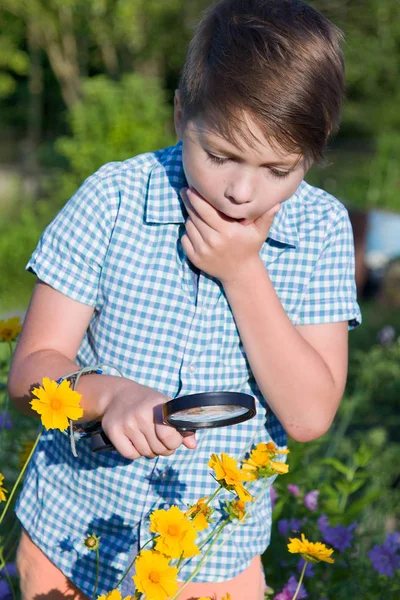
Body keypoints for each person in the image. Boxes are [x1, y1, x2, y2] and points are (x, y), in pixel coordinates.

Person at [8, 1, 361, 598]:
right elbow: (28, 377)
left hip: (214, 565)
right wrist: (109, 394)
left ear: (315, 150)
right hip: (70, 546)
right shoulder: (113, 200)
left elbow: (309, 415)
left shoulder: (323, 230)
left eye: (278, 169)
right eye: (220, 156)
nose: (241, 191)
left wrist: (244, 272)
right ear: (180, 115)